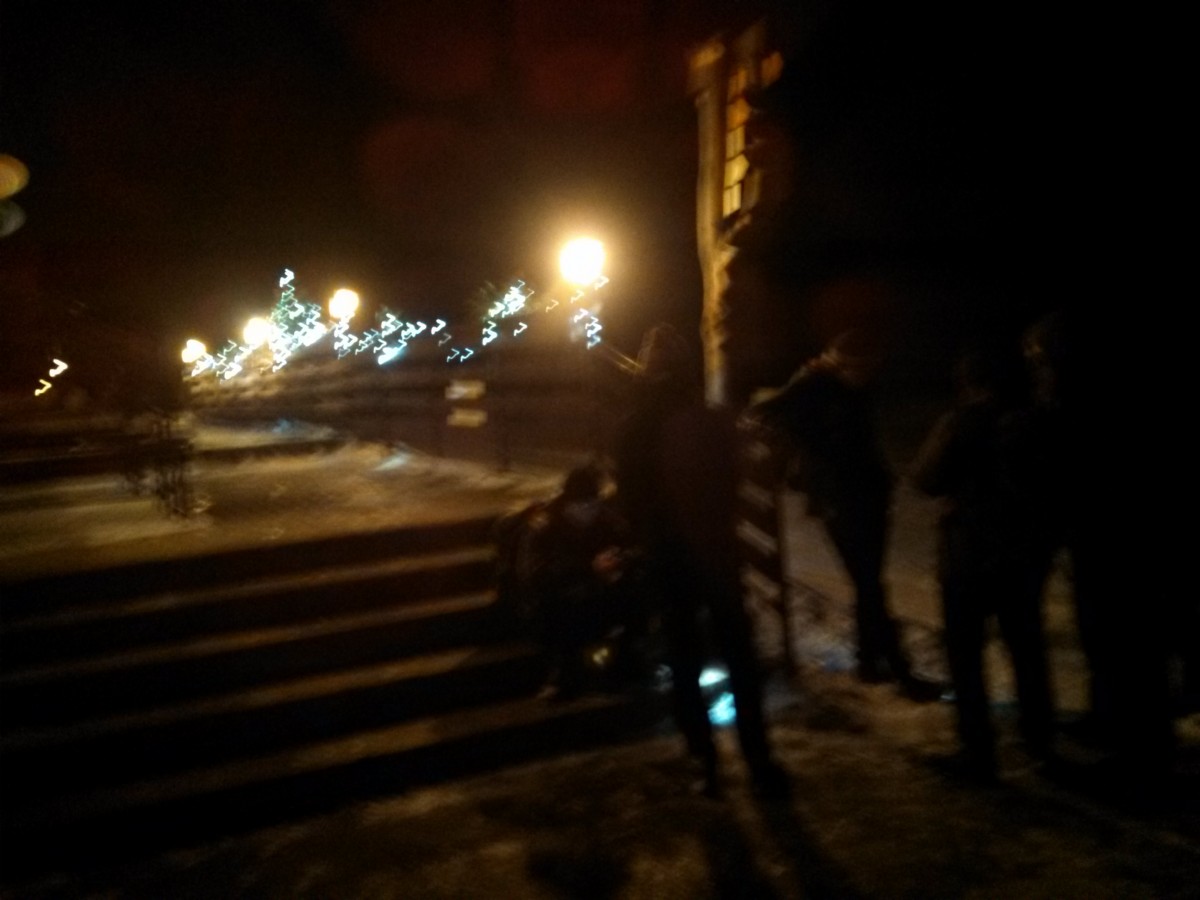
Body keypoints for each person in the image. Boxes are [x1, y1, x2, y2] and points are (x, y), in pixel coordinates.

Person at [613, 322, 788, 799]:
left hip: (668, 557)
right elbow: (735, 479)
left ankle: (703, 760)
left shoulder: (632, 428)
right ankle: (759, 759)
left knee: (684, 658)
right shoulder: (712, 420)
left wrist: (647, 538)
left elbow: (629, 501)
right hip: (716, 552)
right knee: (739, 654)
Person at [749, 330, 940, 701]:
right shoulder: (813, 386)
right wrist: (810, 456)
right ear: (844, 363)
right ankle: (901, 672)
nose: (870, 375)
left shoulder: (853, 388)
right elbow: (762, 412)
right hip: (840, 500)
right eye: (864, 368)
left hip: (866, 495)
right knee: (870, 587)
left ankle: (869, 663)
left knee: (870, 584)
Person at [910, 344, 1057, 781]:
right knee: (1027, 648)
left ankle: (977, 750)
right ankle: (1040, 741)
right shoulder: (1040, 421)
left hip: (969, 556)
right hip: (1024, 555)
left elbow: (925, 479)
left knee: (966, 656)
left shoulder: (962, 422)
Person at [524, 462, 642, 701]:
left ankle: (610, 668)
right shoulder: (547, 526)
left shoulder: (606, 520)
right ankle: (568, 673)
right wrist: (589, 568)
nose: (589, 509)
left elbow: (633, 547)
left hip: (600, 590)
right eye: (583, 504)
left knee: (627, 601)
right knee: (571, 611)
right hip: (561, 595)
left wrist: (621, 560)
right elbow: (538, 573)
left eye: (593, 503)